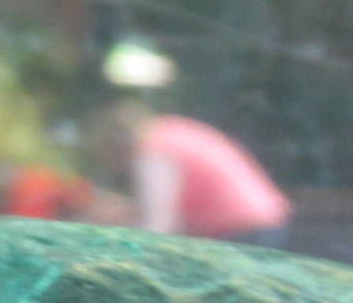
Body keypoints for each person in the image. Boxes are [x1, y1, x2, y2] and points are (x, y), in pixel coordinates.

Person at [85, 100, 291, 246]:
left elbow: (158, 225)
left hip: (242, 229)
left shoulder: (154, 151)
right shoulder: (170, 129)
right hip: (265, 219)